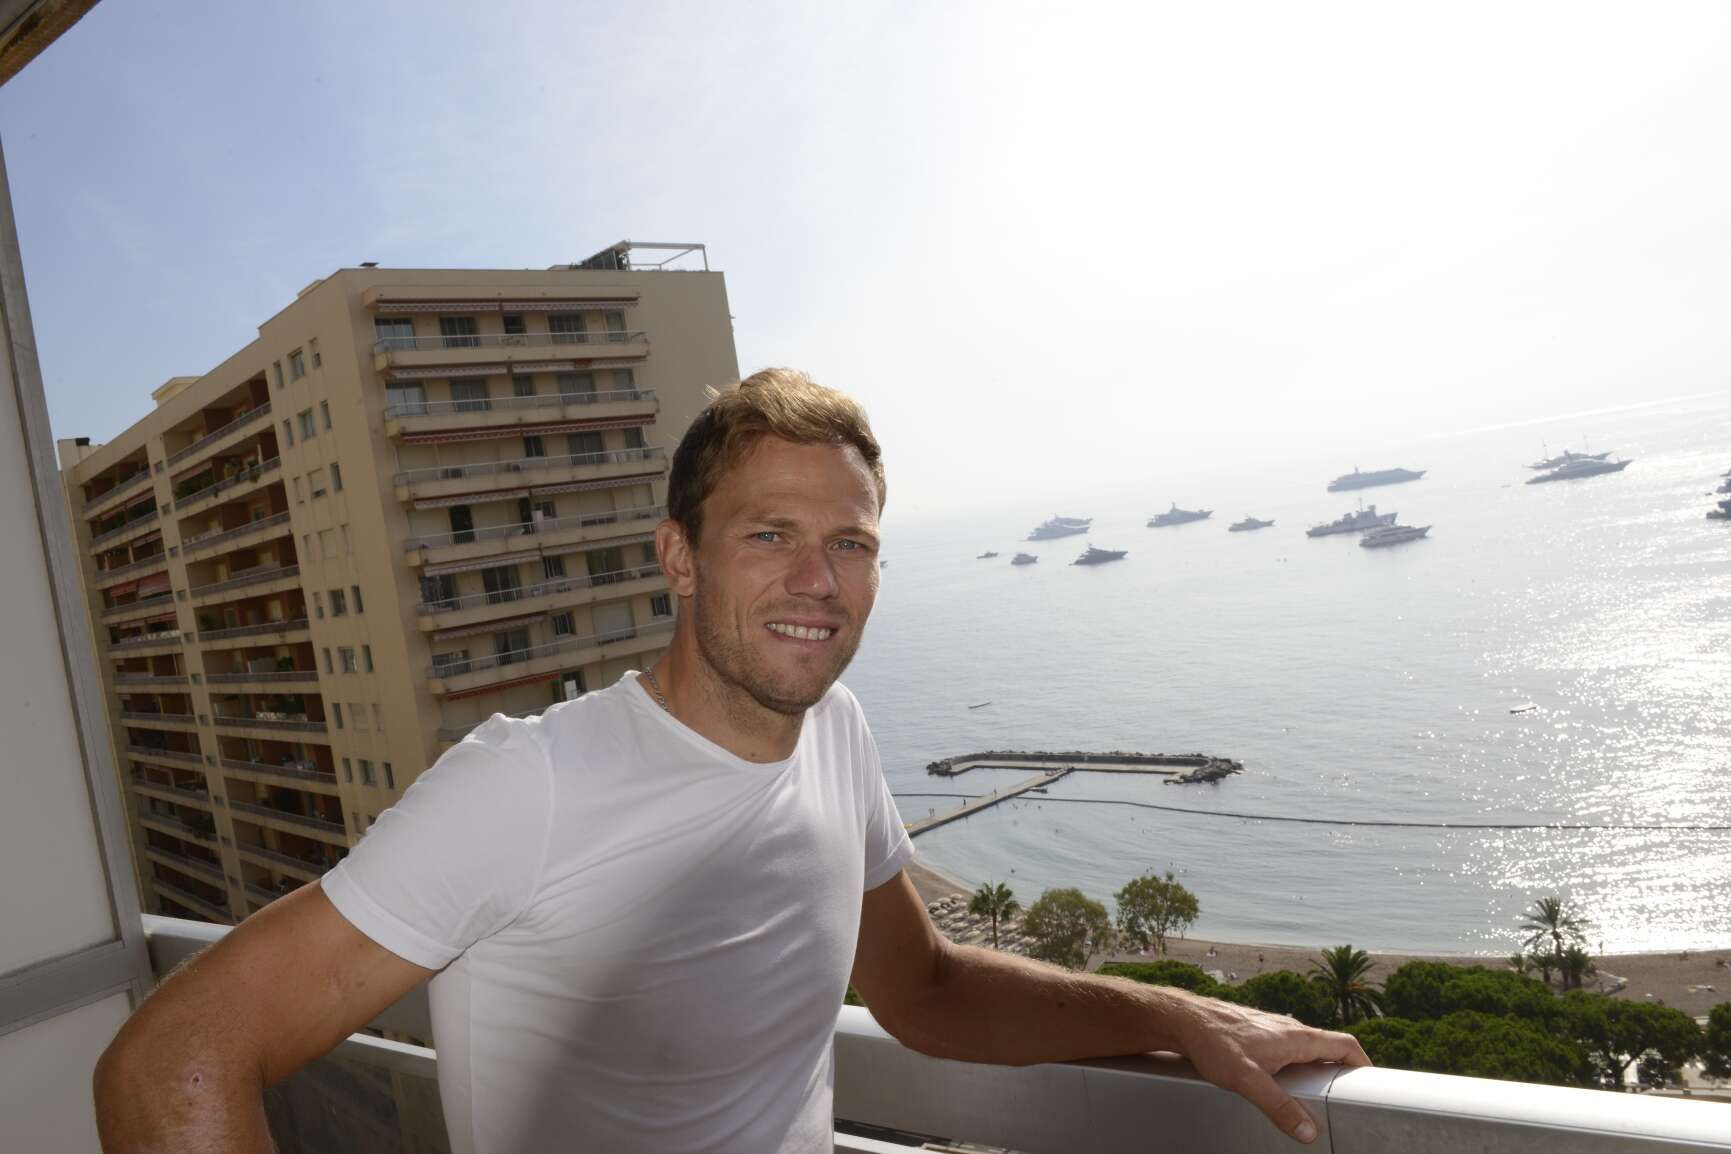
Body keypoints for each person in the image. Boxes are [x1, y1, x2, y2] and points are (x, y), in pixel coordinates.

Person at [93, 369, 1367, 1153]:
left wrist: (1173, 1012)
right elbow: (171, 1060)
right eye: (770, 534)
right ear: (680, 557)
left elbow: (924, 990)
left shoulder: (839, 732)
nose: (819, 579)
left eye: (852, 543)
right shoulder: (531, 782)